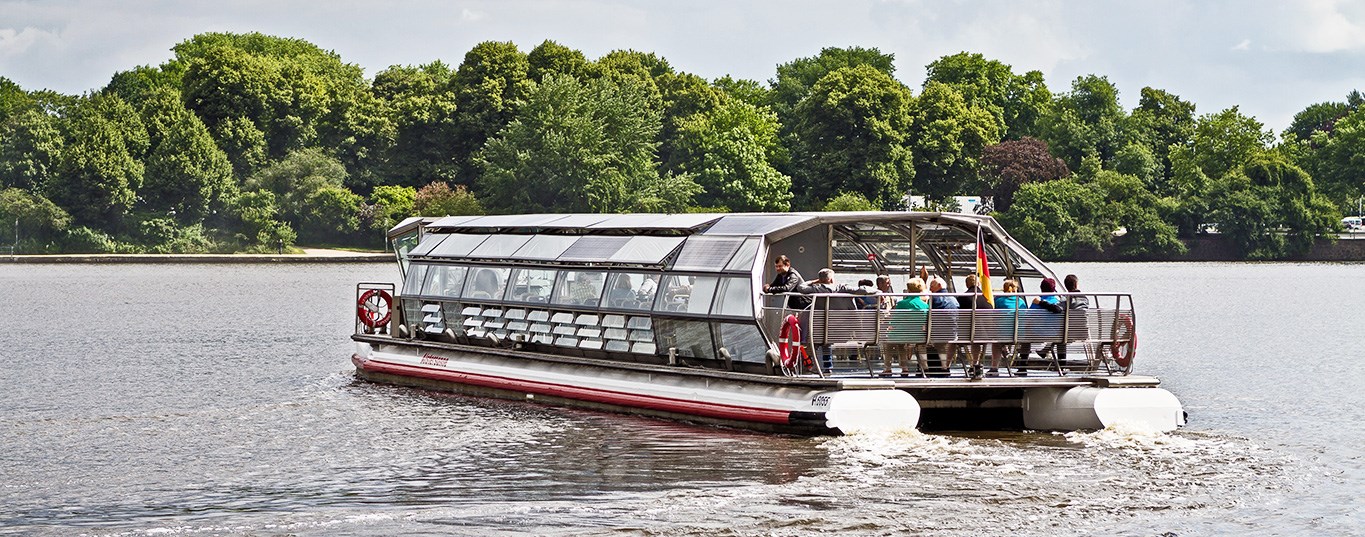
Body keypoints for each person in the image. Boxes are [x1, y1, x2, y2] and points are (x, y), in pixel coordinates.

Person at [883, 277, 930, 376]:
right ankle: (915, 367)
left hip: (900, 335)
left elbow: (894, 321)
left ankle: (889, 368)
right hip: (918, 336)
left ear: (908, 289)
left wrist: (892, 327)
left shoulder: (901, 304)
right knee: (901, 341)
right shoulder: (925, 305)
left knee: (890, 343)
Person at [988, 279, 1027, 375]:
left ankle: (994, 368)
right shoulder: (1021, 301)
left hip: (1002, 335)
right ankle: (1023, 368)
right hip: (1019, 335)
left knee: (996, 341)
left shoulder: (998, 300)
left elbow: (993, 318)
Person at [958, 273, 992, 378]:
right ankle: (976, 364)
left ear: (967, 285)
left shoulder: (962, 298)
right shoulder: (988, 298)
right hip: (986, 334)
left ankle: (946, 367)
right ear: (979, 284)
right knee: (976, 339)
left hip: (966, 334)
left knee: (955, 341)